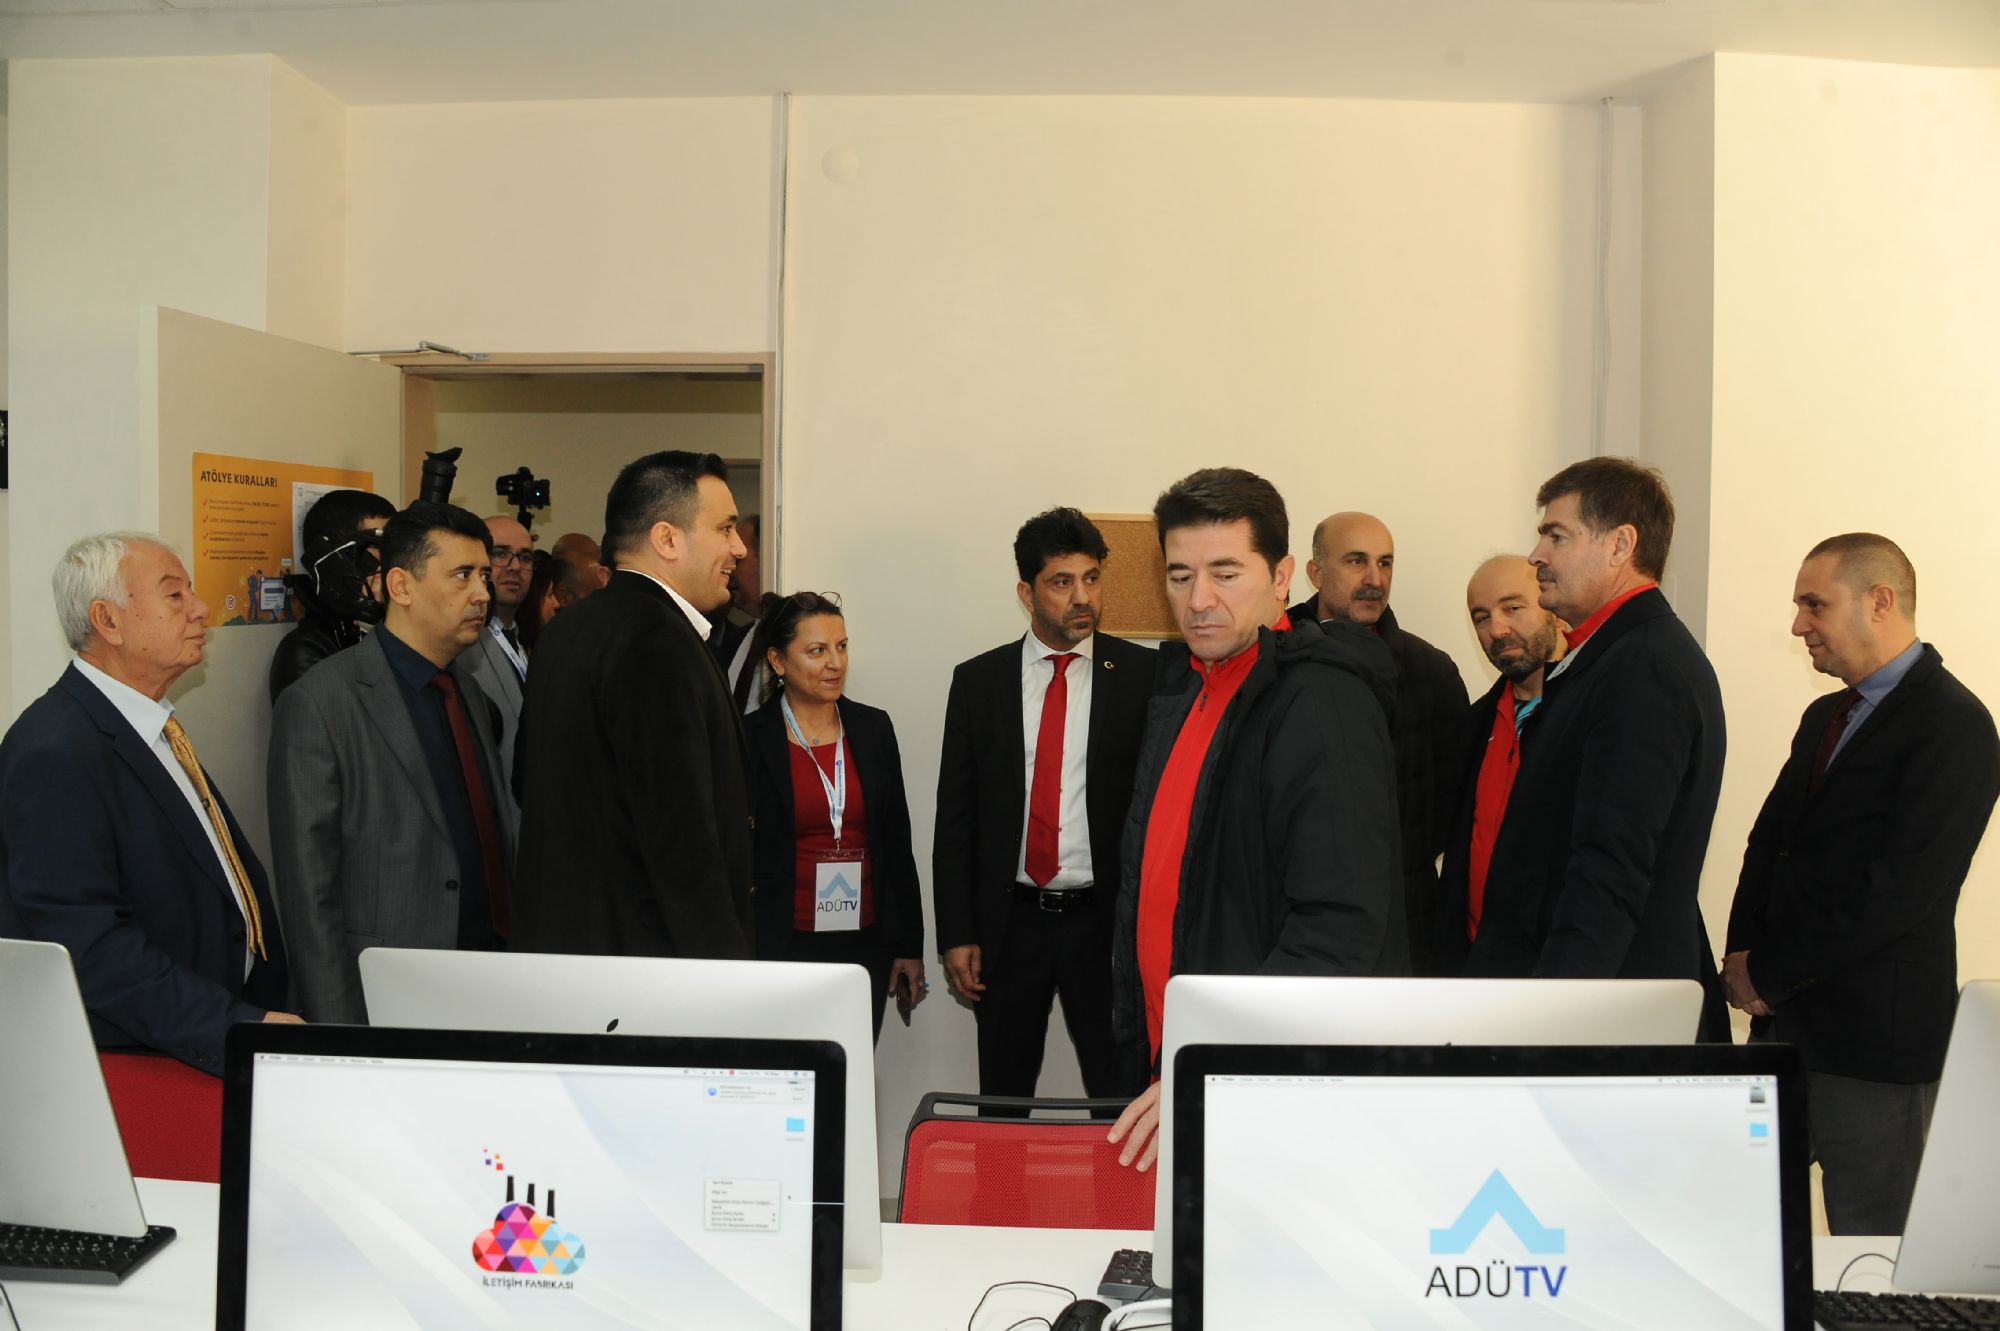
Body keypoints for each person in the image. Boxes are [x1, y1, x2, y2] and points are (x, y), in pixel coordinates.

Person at [1108, 468, 1404, 1170]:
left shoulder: (1320, 701)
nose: (1198, 600)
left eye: (1225, 573)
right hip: (1183, 1061)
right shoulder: (1189, 687)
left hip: (1263, 1083)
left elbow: (1339, 928)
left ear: (1281, 579)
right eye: (1180, 575)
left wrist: (1215, 1061)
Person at [1723, 533, 2000, 1235]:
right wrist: (1743, 958)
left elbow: (1897, 893)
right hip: (1782, 1029)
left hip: (1875, 1047)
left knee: (1875, 1257)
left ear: (1880, 601)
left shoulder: (1957, 725)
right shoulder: (1825, 715)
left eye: (1814, 604)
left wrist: (1770, 972)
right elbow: (1769, 844)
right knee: (1743, 1235)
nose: (1798, 625)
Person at [0, 532, 298, 1075]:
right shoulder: (54, 750)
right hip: (147, 1060)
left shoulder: (148, 724)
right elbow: (88, 946)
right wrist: (235, 1027)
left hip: (215, 1023)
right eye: (174, 594)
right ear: (107, 621)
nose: (201, 609)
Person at [1469, 457, 1730, 1038]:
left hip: (1604, 1015)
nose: (1536, 554)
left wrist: (1557, 1019)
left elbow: (1609, 870)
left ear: (1620, 545)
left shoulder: (1642, 667)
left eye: (1556, 536)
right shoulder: (1608, 659)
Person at [933, 508, 1153, 1100]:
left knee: (1117, 1098)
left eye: (1091, 578)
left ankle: (1115, 1171)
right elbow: (956, 819)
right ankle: (1003, 1172)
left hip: (1104, 925)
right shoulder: (979, 682)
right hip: (1011, 924)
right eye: (1062, 582)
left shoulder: (1143, 676)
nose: (1082, 597)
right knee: (1003, 1098)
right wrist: (957, 931)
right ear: (1026, 593)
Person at [268, 502, 516, 1024]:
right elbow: (309, 894)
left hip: (487, 979)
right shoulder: (321, 701)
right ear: (401, 586)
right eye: (463, 575)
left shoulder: (465, 691)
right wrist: (339, 1034)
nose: (482, 593)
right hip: (386, 996)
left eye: (484, 576)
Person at [511, 450, 755, 960]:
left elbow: (526, 782)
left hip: (566, 953)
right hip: (646, 967)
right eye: (725, 528)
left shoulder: (566, 630)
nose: (739, 548)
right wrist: (727, 976)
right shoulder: (658, 641)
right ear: (667, 539)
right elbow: (681, 839)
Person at [1288, 511, 1469, 973]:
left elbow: (1452, 804)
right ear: (1315, 573)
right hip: (1295, 916)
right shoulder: (1273, 657)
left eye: (1385, 563)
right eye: (1356, 561)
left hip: (1407, 920)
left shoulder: (1432, 671)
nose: (1374, 579)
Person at [743, 592, 927, 1040]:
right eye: (817, 651)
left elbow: (896, 843)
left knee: (851, 1065)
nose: (835, 663)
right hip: (781, 944)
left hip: (864, 945)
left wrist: (908, 944)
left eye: (841, 647)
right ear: (778, 660)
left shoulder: (873, 728)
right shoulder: (749, 738)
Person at [1432, 555, 1567, 973]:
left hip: (1563, 973)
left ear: (1553, 607)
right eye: (1482, 617)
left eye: (1513, 607)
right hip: (1481, 971)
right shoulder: (1473, 726)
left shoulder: (1594, 718)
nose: (1497, 629)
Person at [269, 488, 396, 701]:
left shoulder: (375, 630)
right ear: (336, 562)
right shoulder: (306, 651)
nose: (391, 560)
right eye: (377, 547)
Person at [465, 514, 534, 789]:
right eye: (500, 554)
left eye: (525, 557)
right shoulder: (461, 647)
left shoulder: (520, 640)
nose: (515, 566)